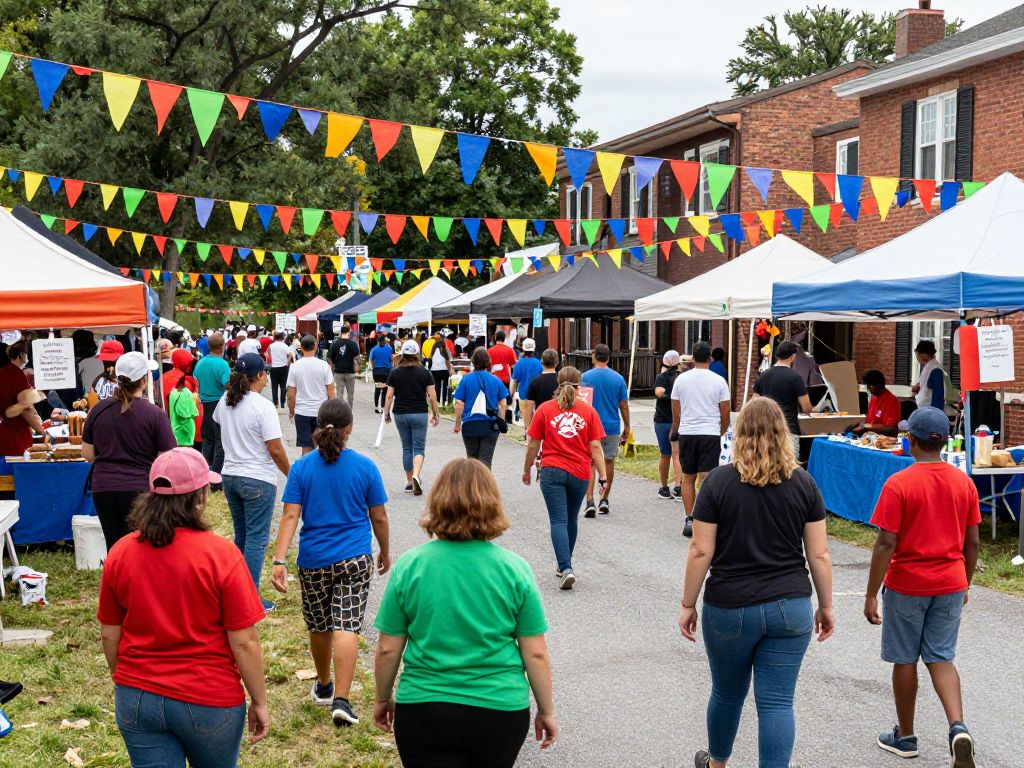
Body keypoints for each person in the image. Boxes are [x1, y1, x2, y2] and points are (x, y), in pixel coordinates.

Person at [679, 398, 835, 768]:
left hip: (730, 606)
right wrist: (826, 605)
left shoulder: (717, 483)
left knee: (727, 693)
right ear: (785, 435)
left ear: (738, 434)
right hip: (790, 606)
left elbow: (701, 550)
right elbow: (820, 554)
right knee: (778, 701)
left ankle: (717, 763)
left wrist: (688, 603)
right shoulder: (804, 484)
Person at [373, 459, 557, 767]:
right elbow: (535, 653)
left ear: (437, 502)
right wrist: (546, 710)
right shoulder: (515, 570)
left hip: (425, 706)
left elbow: (388, 647)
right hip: (499, 709)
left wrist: (382, 698)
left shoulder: (410, 566)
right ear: (492, 504)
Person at [97, 448, 269, 766]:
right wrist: (259, 699)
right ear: (200, 496)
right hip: (210, 699)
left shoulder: (120, 553)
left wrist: (124, 680)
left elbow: (110, 634)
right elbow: (244, 641)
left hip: (137, 699)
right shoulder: (222, 555)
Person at [864, 406, 980, 767]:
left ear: (910, 440)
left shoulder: (899, 484)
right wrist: (966, 582)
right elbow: (972, 542)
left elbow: (886, 543)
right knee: (941, 657)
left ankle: (906, 735)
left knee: (905, 657)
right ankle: (957, 726)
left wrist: (871, 593)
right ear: (943, 442)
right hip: (950, 581)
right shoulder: (964, 482)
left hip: (907, 585)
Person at [273, 399, 390, 727]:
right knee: (347, 625)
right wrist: (385, 550)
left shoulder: (302, 468)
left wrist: (279, 559)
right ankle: (342, 698)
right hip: (354, 558)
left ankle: (323, 685)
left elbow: (290, 515)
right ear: (349, 429)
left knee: (320, 625)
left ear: (318, 425)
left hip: (314, 561)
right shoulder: (365, 467)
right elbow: (378, 517)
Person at [215, 354, 292, 611]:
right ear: (260, 375)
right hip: (257, 477)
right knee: (257, 539)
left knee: (243, 536)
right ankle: (248, 598)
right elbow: (276, 449)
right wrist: (291, 475)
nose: (268, 376)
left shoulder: (225, 402)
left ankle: (235, 591)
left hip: (231, 475)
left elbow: (219, 426)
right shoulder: (262, 406)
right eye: (266, 372)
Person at [522, 367, 607, 590]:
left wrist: (527, 468)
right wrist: (603, 477)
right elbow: (596, 447)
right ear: (580, 386)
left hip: (552, 470)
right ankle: (565, 563)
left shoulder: (545, 409)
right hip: (580, 472)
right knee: (571, 519)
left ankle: (565, 566)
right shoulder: (588, 412)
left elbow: (533, 444)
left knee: (558, 520)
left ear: (557, 384)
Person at [82, 352, 176, 550]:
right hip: (139, 488)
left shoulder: (97, 410)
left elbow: (88, 455)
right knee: (139, 547)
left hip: (104, 487)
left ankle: (115, 579)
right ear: (144, 379)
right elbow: (167, 457)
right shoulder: (154, 414)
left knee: (114, 547)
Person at [671, 341, 731, 538]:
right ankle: (707, 517)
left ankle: (689, 517)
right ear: (710, 358)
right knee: (707, 477)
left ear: (693, 359)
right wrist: (721, 430)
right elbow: (725, 412)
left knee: (688, 476)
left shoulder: (681, 379)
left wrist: (678, 429)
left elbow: (676, 411)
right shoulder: (719, 381)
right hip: (710, 432)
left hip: (688, 431)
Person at [384, 340, 440, 496]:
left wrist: (386, 413)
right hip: (420, 413)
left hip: (401, 413)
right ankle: (416, 475)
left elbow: (389, 396)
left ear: (403, 354)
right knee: (419, 447)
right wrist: (435, 413)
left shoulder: (395, 372)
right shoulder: (424, 372)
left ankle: (409, 481)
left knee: (407, 447)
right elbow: (432, 396)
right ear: (417, 354)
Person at [581, 343, 630, 517]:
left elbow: (582, 403)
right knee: (608, 461)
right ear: (608, 358)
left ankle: (589, 500)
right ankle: (604, 499)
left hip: (591, 426)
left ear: (594, 357)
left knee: (591, 463)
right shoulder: (618, 378)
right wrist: (627, 425)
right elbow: (623, 405)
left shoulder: (585, 377)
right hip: (611, 425)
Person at [453, 347, 509, 470]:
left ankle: (471, 487)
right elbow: (503, 403)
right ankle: (485, 487)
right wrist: (501, 421)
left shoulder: (466, 379)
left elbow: (459, 403)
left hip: (469, 424)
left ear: (473, 362)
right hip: (490, 425)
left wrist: (457, 424)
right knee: (486, 461)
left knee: (472, 460)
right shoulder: (495, 379)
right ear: (488, 362)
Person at [753, 340, 811, 450]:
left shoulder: (763, 375)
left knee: (767, 465)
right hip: (788, 430)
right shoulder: (796, 378)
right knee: (789, 466)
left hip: (767, 430)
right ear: (793, 356)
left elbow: (754, 404)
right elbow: (807, 408)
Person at [288, 335, 336, 456]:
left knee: (306, 448)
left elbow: (291, 395)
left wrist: (291, 411)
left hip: (302, 412)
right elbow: (331, 392)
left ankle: (307, 473)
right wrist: (332, 413)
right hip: (322, 413)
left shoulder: (294, 367)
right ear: (315, 347)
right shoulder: (324, 365)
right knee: (324, 446)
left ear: (301, 348)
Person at [194, 333, 230, 487]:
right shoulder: (222, 365)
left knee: (207, 441)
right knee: (220, 443)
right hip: (219, 404)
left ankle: (204, 476)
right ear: (222, 346)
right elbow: (226, 384)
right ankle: (216, 480)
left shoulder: (200, 363)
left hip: (205, 405)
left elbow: (196, 379)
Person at [0, 342, 45, 458]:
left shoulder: (3, 373)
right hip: (17, 436)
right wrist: (42, 431)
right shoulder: (16, 374)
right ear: (21, 355)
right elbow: (25, 408)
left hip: (5, 434)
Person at [654, 350, 683, 501]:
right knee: (677, 454)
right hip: (679, 421)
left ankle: (664, 487)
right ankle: (679, 487)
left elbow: (658, 392)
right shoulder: (682, 378)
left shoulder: (661, 378)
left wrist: (667, 396)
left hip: (662, 420)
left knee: (665, 455)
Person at [851, 370, 902, 437]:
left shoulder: (892, 401)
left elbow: (892, 428)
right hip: (868, 436)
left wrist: (864, 426)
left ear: (877, 385)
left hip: (883, 438)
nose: (868, 388)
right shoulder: (874, 397)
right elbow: (869, 421)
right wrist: (860, 426)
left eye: (869, 385)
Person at [522, 348, 560, 430]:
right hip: (559, 421)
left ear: (541, 362)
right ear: (557, 363)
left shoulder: (535, 382)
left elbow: (529, 405)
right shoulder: (562, 381)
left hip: (541, 420)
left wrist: (527, 427)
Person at [510, 338, 543, 421]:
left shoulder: (519, 363)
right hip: (537, 394)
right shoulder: (539, 363)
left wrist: (511, 395)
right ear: (533, 349)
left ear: (523, 348)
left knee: (525, 414)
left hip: (523, 393)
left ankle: (526, 432)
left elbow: (514, 381)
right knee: (534, 415)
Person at [169, 368, 201, 448]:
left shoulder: (173, 392)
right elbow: (186, 413)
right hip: (185, 431)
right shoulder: (186, 394)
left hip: (175, 430)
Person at [328, 331, 361, 407]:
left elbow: (329, 357)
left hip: (338, 372)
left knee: (339, 394)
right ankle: (349, 412)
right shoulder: (353, 343)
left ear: (340, 333)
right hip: (350, 372)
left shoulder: (335, 343)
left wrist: (332, 366)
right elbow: (357, 358)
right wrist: (358, 367)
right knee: (350, 395)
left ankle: (340, 413)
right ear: (348, 333)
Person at [911, 339, 945, 410]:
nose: (917, 356)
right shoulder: (930, 367)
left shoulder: (935, 370)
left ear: (923, 354)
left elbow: (938, 396)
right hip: (923, 409)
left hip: (928, 411)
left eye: (917, 353)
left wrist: (934, 414)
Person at [427, 331, 455, 406]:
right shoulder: (443, 348)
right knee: (445, 385)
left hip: (434, 370)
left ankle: (438, 401)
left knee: (437, 386)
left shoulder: (433, 349)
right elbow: (447, 360)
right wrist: (449, 369)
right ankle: (444, 402)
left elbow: (430, 359)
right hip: (444, 370)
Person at [368, 335, 394, 414]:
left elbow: (371, 361)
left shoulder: (373, 349)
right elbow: (392, 359)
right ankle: (383, 407)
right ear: (383, 340)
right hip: (386, 372)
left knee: (377, 389)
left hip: (377, 372)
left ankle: (376, 407)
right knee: (385, 390)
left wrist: (373, 368)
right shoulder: (389, 348)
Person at [267, 331, 293, 409]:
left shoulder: (271, 346)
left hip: (273, 367)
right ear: (282, 337)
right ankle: (282, 402)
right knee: (283, 385)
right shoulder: (285, 346)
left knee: (274, 386)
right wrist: (288, 362)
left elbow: (268, 356)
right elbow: (291, 354)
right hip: (283, 367)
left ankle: (275, 403)